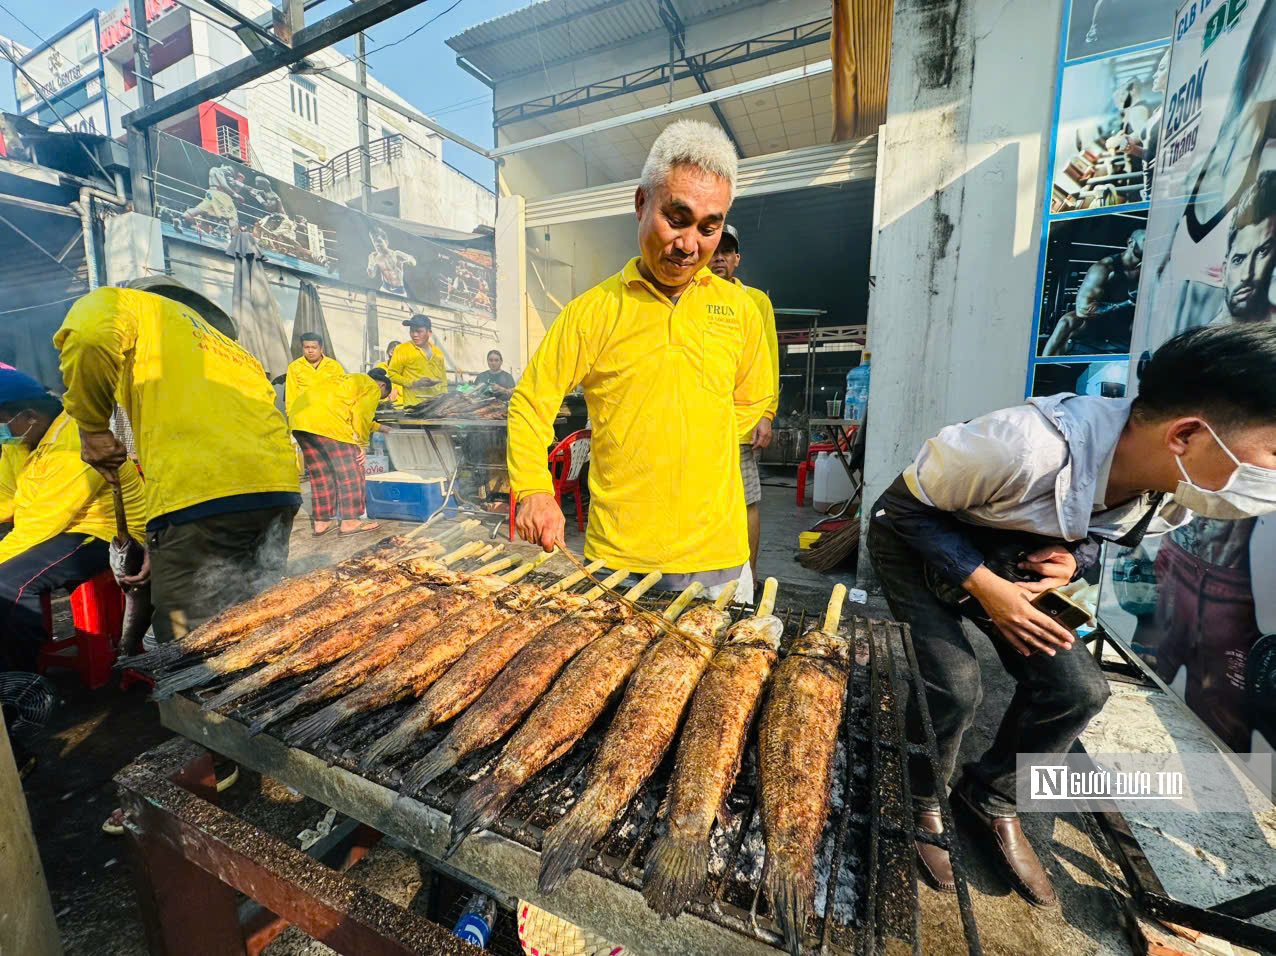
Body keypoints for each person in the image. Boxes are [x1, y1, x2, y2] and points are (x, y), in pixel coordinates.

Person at [868, 323, 1276, 908]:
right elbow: (900, 510)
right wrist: (988, 590)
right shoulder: (1021, 444)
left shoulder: (1179, 485)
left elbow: (1099, 537)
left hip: (1009, 560)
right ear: (1186, 434)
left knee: (1077, 691)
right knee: (953, 687)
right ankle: (916, 796)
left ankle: (992, 796)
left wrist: (1071, 561)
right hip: (916, 540)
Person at [508, 119, 774, 600]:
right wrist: (532, 489)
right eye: (677, 218)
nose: (690, 244)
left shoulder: (740, 311)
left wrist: (691, 440)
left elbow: (754, 397)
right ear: (640, 203)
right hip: (619, 560)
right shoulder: (593, 312)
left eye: (709, 227)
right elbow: (531, 402)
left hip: (718, 555)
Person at [53, 276, 301, 643]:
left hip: (204, 490)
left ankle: (207, 697)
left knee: (192, 637)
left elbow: (88, 335)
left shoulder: (132, 305)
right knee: (258, 607)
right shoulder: (232, 351)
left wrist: (92, 429)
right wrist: (163, 538)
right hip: (277, 493)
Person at [0, 368, 146, 670]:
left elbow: (40, 527)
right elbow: (5, 495)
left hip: (105, 532)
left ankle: (18, 681)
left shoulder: (73, 446)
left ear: (28, 415)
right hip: (59, 525)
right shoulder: (21, 442)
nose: (2, 429)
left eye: (2, 421)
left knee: (9, 585)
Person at [709, 223, 779, 579]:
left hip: (738, 422)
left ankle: (748, 575)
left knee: (746, 499)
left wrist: (766, 413)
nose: (718, 257)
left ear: (737, 258)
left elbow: (768, 360)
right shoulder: (689, 297)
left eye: (726, 251)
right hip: (699, 424)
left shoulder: (754, 301)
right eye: (713, 250)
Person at [291, 371, 390, 537]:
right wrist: (362, 445)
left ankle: (321, 522)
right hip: (328, 422)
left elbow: (350, 412)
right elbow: (361, 415)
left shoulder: (347, 380)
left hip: (300, 420)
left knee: (321, 474)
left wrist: (380, 427)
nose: (378, 401)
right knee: (351, 471)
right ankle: (350, 521)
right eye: (382, 398)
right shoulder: (372, 387)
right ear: (382, 386)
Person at [1042, 228, 1144, 355]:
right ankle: (1047, 363)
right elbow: (1083, 309)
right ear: (1131, 243)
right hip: (1095, 325)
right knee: (1067, 321)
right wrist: (1128, 303)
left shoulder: (1146, 267)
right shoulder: (1104, 269)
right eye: (1145, 241)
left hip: (1124, 326)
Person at [1210, 173, 1276, 326]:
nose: (1246, 275)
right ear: (1224, 269)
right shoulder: (1199, 342)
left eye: (1262, 252)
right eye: (1238, 259)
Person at [386, 315, 447, 405]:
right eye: (412, 331)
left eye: (419, 331)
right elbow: (392, 374)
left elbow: (443, 381)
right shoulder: (402, 349)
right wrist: (414, 383)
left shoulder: (438, 353)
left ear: (429, 333)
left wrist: (444, 401)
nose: (414, 335)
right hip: (414, 408)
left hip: (436, 407)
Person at [285, 332, 345, 423]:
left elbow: (343, 392)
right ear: (302, 348)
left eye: (314, 347)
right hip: (304, 417)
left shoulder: (334, 366)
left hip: (330, 416)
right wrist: (291, 416)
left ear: (321, 349)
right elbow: (290, 395)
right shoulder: (294, 367)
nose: (310, 351)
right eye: (306, 347)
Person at [367, 228, 416, 296]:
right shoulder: (374, 256)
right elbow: (372, 275)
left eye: (379, 241)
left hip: (399, 291)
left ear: (386, 242)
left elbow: (414, 263)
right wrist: (370, 266)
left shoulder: (396, 254)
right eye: (374, 241)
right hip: (384, 289)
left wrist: (409, 259)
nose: (376, 244)